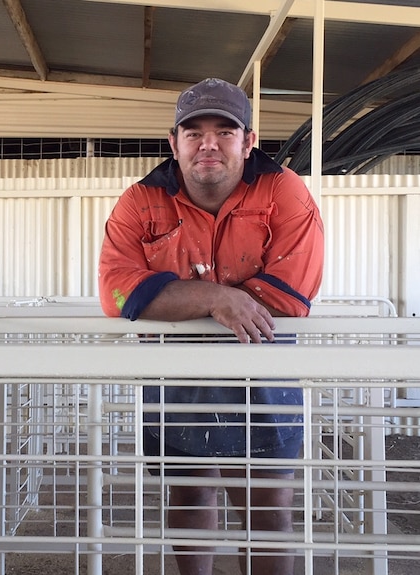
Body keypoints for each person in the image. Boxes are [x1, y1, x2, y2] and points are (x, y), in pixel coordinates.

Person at [98, 78, 324, 575]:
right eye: (194, 131)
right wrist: (216, 297)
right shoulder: (140, 201)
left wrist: (164, 297)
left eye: (225, 131)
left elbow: (291, 294)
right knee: (190, 490)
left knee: (267, 507)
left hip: (264, 361)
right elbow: (117, 291)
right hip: (178, 369)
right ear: (173, 142)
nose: (208, 144)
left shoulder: (285, 191)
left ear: (248, 141)